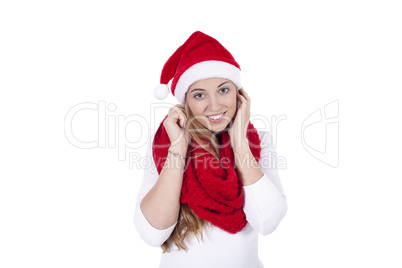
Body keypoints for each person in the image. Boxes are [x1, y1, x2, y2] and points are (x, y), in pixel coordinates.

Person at [134, 31, 287, 268]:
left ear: (240, 94)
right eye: (199, 95)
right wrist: (179, 147)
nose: (214, 105)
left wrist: (239, 141)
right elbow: (152, 234)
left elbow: (268, 222)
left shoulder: (259, 140)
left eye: (224, 90)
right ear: (185, 104)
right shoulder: (166, 144)